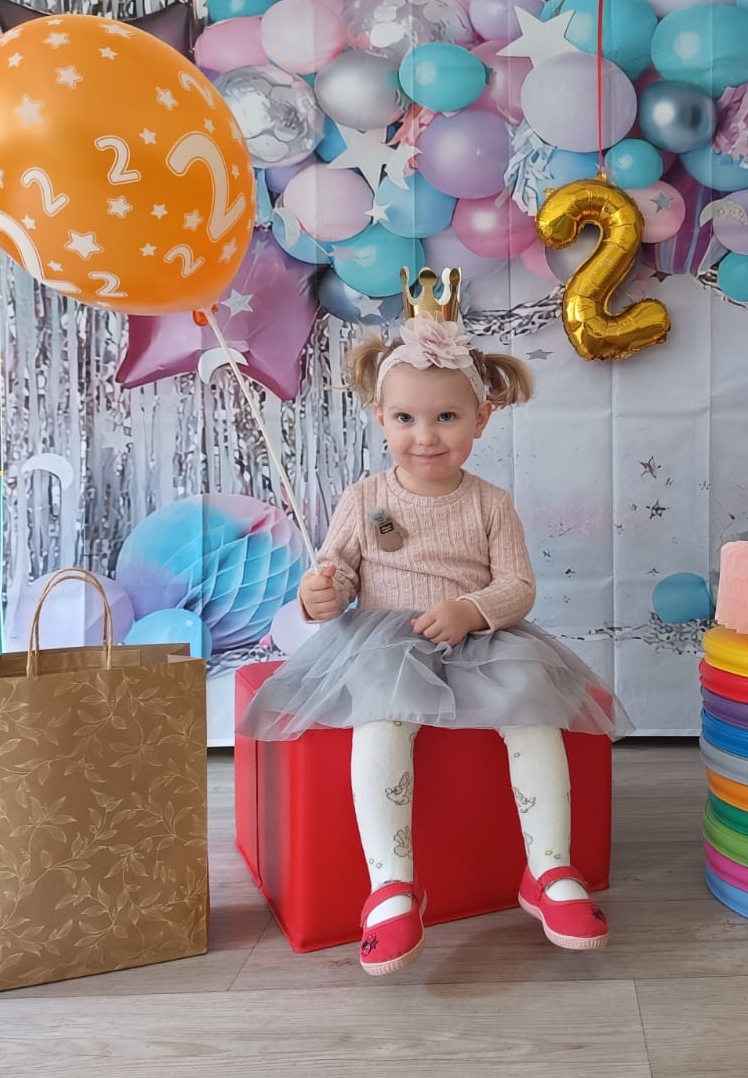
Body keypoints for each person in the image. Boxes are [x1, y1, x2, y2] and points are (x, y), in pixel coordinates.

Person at [240, 267, 630, 976]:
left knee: (533, 711)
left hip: (480, 641)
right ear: (380, 417)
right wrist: (319, 594)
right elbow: (337, 571)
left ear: (482, 418)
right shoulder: (365, 498)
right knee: (382, 721)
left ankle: (548, 868)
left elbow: (518, 587)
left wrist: (471, 609)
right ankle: (391, 886)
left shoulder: (490, 503)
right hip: (385, 642)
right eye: (406, 419)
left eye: (446, 418)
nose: (425, 436)